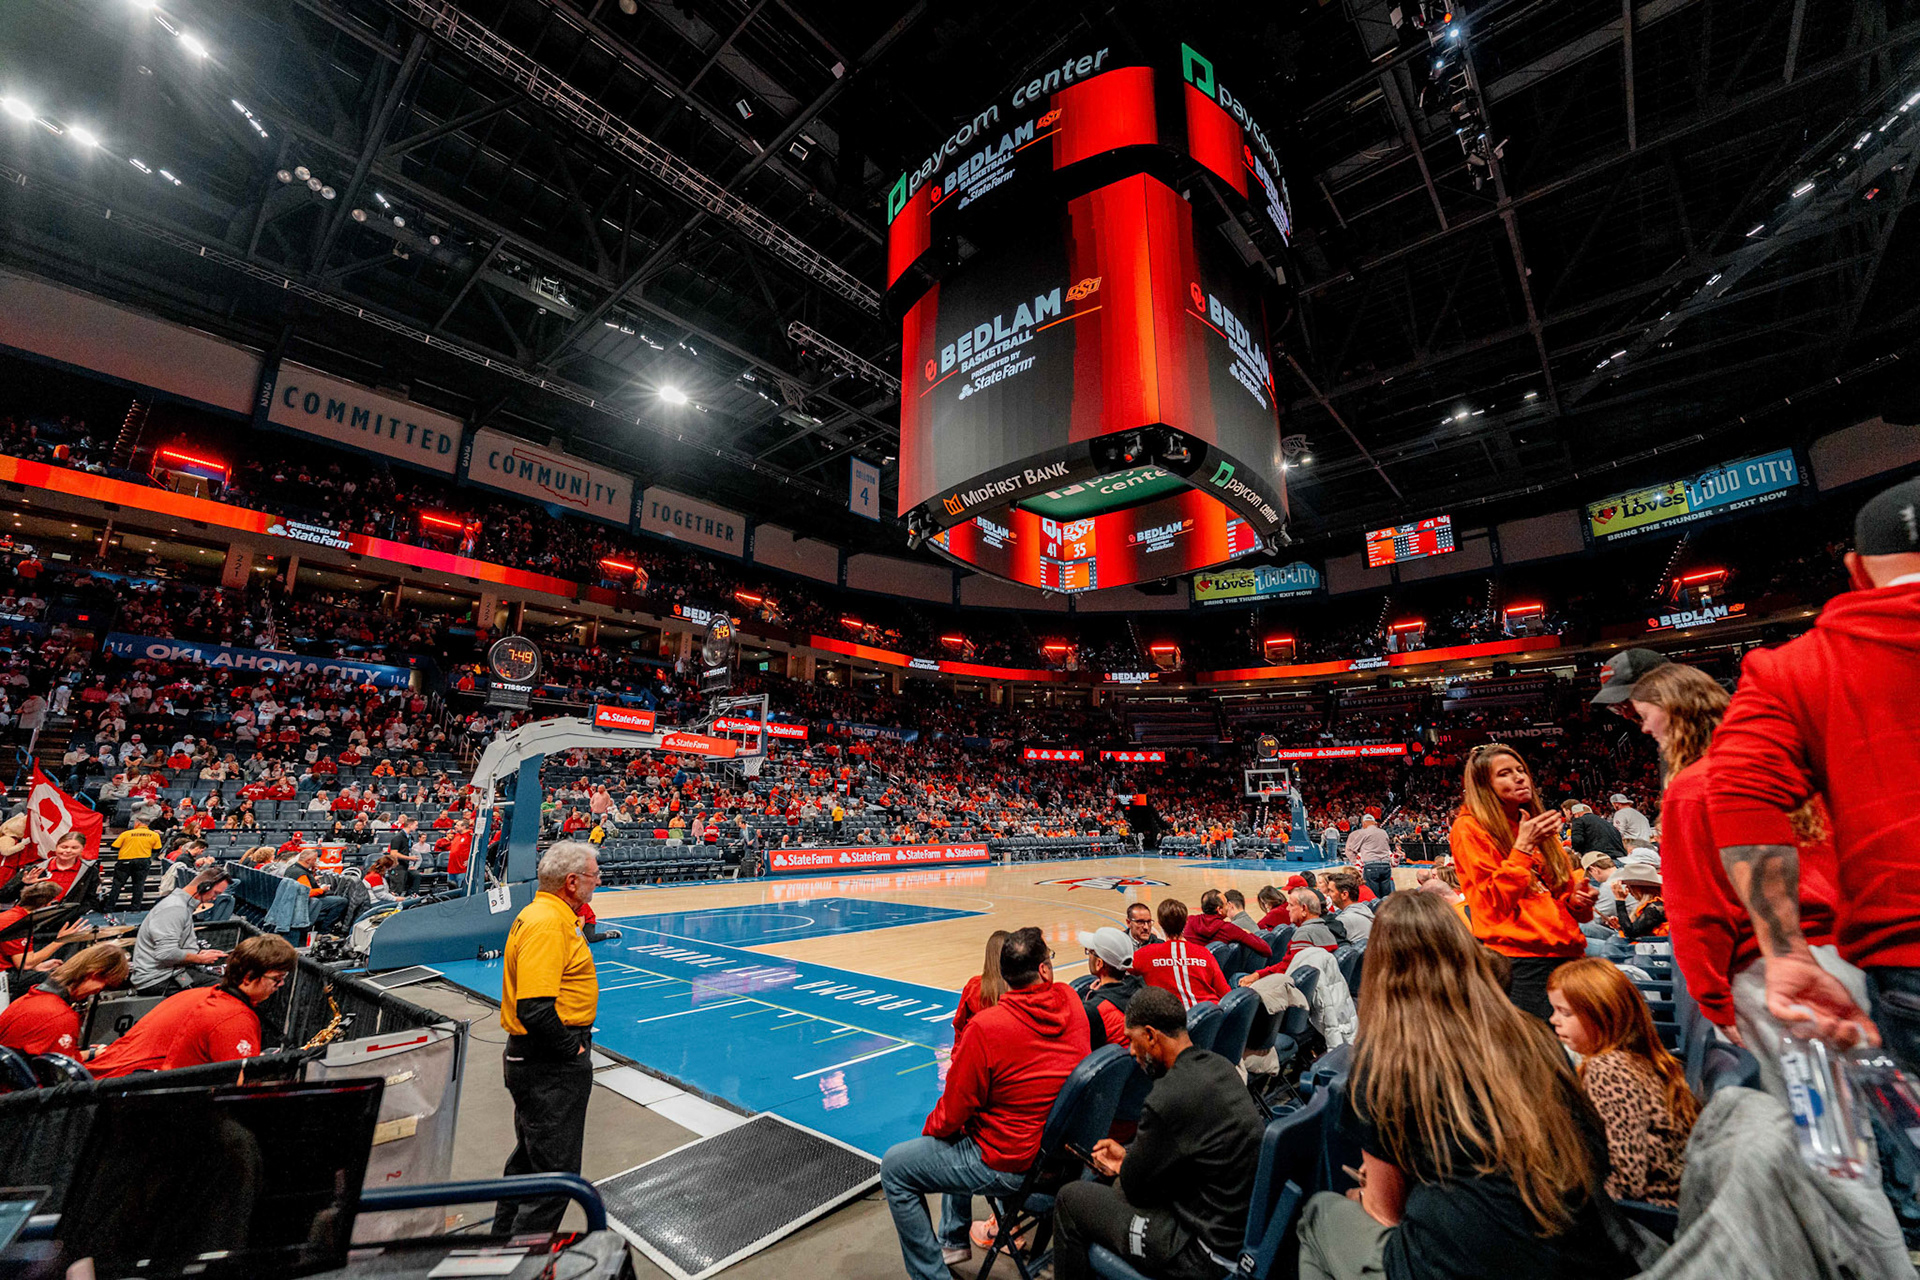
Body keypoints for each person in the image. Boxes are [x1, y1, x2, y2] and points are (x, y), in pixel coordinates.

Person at [1294, 891, 1635, 1280]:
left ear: (1379, 970)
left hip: (1469, 1259)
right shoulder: (1533, 1035)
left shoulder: (1386, 1067)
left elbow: (1384, 1214)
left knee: (1320, 1212)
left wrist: (1360, 1194)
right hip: (1579, 1246)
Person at [1707, 475, 1920, 1066]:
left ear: (1856, 571)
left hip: (1908, 954)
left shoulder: (1797, 668)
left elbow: (1737, 793)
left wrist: (1786, 953)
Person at [1625, 663, 1844, 1086]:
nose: (1645, 730)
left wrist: (1713, 1002)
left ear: (1672, 711)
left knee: (1814, 1127)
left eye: (1644, 716)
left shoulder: (1691, 789)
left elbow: (1696, 908)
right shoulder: (1776, 765)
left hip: (1769, 970)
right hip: (1839, 956)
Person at [880, 927, 1089, 1277]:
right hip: (1064, 1155)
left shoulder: (987, 1027)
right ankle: (954, 1239)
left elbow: (951, 1112)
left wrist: (933, 1133)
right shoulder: (1071, 999)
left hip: (1010, 1163)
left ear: (1005, 976)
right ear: (1044, 970)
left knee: (896, 1167)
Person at [1052, 986, 1265, 1280]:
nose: (1130, 1050)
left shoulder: (1166, 1097)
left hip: (1203, 1256)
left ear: (1151, 1036)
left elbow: (1136, 1190)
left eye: (1132, 1040)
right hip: (1239, 1232)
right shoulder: (1220, 1066)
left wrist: (1123, 1167)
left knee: (1070, 1199)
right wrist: (1127, 1160)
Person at [494, 841, 601, 1237]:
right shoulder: (548, 923)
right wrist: (570, 1049)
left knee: (528, 1164)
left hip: (539, 1061)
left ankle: (501, 1250)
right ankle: (522, 1260)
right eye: (592, 875)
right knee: (554, 1179)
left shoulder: (548, 914)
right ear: (572, 882)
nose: (598, 880)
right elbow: (535, 1008)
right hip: (549, 1063)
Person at [1449, 744, 1599, 1020]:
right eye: (1504, 774)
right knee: (1542, 1056)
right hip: (1520, 962)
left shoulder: (1532, 822)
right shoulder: (1469, 827)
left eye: (1521, 770)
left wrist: (1578, 901)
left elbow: (1563, 895)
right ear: (1484, 786)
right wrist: (1523, 849)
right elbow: (1492, 902)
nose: (1519, 778)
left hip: (1568, 953)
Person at [1546, 958, 1699, 1208]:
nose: (1554, 1020)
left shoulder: (1607, 1070)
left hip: (1649, 1214)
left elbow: (1628, 1178)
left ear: (1601, 1016)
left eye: (1566, 1013)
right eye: (1554, 1010)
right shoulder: (1633, 1057)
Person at [89, 934, 298, 1077]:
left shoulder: (199, 996)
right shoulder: (233, 1018)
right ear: (248, 977)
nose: (280, 986)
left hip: (106, 1076)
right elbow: (235, 1088)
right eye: (277, 979)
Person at [0, 942, 127, 1058]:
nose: (99, 991)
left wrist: (91, 1053)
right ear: (94, 974)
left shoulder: (25, 1000)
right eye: (106, 985)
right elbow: (62, 1076)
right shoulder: (61, 1017)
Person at [128, 867, 231, 994]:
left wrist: (198, 953)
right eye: (216, 893)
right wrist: (199, 959)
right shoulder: (175, 908)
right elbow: (166, 954)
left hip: (168, 972)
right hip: (158, 980)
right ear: (204, 887)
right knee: (228, 992)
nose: (215, 898)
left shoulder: (182, 904)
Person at [1132, 899, 1231, 1009]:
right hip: (1208, 1018)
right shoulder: (1204, 953)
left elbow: (1116, 977)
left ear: (1160, 924)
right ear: (1186, 923)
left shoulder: (1144, 954)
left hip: (1170, 1020)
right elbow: (1225, 993)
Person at [1077, 926, 1143, 1046]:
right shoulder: (1141, 986)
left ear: (1099, 964)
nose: (1089, 956)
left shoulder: (1094, 1009)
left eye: (1090, 952)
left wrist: (1090, 997)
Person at [952, 929, 1010, 1041]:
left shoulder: (974, 986)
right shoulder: (1020, 986)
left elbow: (959, 1023)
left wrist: (959, 1053)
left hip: (977, 1049)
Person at [282, 848, 351, 936]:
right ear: (308, 860)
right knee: (341, 901)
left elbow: (302, 885)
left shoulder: (292, 868)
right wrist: (323, 889)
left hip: (294, 901)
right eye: (314, 860)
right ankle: (324, 931)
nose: (316, 862)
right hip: (306, 903)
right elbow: (308, 893)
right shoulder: (301, 873)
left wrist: (313, 876)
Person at [104, 816, 162, 912]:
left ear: (137, 823)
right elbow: (157, 849)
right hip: (143, 861)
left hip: (125, 861)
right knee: (139, 885)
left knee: (117, 885)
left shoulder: (126, 834)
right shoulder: (154, 835)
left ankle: (109, 908)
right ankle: (135, 909)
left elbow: (114, 847)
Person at [1607, 863, 1667, 943]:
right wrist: (1621, 924)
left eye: (1630, 886)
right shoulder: (1655, 905)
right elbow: (1636, 928)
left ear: (1639, 889)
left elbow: (1631, 933)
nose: (1627, 888)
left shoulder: (1656, 907)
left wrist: (1620, 900)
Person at [1345, 815, 1395, 900]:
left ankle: (1375, 912)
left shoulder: (1363, 833)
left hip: (1371, 866)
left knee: (1373, 897)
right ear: (1374, 823)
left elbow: (1352, 848)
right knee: (1386, 896)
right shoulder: (1383, 832)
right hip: (1386, 866)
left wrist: (1356, 861)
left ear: (1363, 823)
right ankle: (1387, 911)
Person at [1562, 801, 1627, 859]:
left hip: (1601, 860)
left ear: (1576, 814)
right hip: (1620, 858)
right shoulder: (1607, 823)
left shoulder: (1578, 820)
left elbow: (1577, 841)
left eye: (1565, 813)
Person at [1324, 870, 1374, 943]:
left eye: (1331, 891)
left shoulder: (1343, 920)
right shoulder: (1365, 909)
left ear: (1344, 895)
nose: (1328, 894)